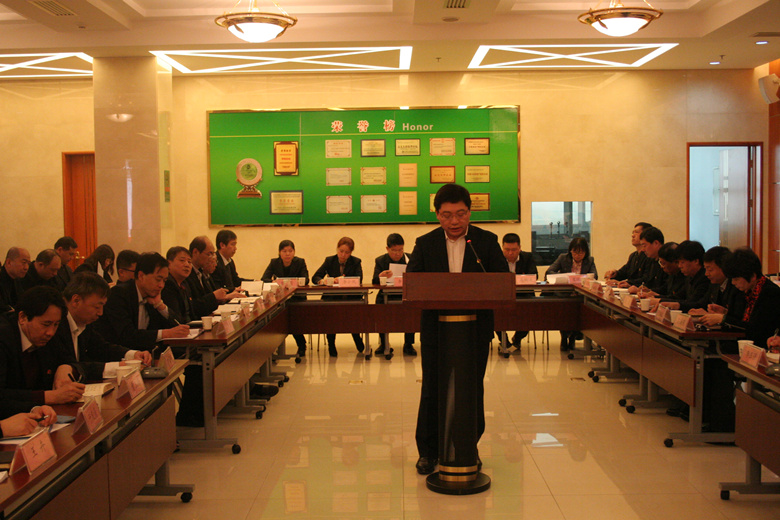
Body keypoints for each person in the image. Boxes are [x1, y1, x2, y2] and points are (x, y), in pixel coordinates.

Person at [406, 183, 508, 476]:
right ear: (437, 215)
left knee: (471, 387)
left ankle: (467, 447)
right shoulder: (425, 243)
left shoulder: (485, 241)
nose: (454, 221)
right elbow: (413, 282)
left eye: (461, 214)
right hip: (436, 330)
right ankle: (428, 451)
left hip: (475, 330)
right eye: (447, 215)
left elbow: (501, 279)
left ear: (469, 213)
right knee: (432, 387)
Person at [51, 272, 152, 381]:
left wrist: (133, 355)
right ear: (76, 301)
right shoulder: (55, 325)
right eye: (97, 307)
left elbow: (101, 347)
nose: (100, 313)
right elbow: (73, 366)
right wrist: (119, 367)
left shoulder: (83, 322)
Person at [0, 286, 86, 409]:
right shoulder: (4, 338)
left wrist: (65, 367)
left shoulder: (47, 333)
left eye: (56, 324)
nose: (51, 332)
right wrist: (49, 396)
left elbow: (71, 360)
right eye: (46, 324)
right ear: (23, 317)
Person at [94, 252, 190, 350]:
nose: (161, 285)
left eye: (164, 281)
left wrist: (160, 306)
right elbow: (127, 335)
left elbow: (179, 327)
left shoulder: (152, 295)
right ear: (141, 276)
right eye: (158, 279)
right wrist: (165, 333)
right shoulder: (119, 294)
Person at [312, 237, 365, 357]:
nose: (343, 255)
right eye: (341, 251)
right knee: (331, 317)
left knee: (352, 317)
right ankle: (331, 344)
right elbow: (315, 277)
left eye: (347, 252)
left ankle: (358, 342)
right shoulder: (329, 260)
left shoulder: (356, 262)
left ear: (351, 252)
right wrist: (324, 281)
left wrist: (343, 280)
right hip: (332, 297)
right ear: (337, 249)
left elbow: (359, 279)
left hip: (350, 298)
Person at [721, 247, 780, 349]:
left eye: (736, 279)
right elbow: (739, 320)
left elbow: (757, 328)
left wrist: (723, 319)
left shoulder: (770, 293)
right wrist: (724, 312)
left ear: (752, 276)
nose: (733, 283)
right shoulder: (745, 292)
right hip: (746, 344)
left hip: (763, 347)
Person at [546, 237, 597, 351]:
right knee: (564, 312)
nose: (578, 255)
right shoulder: (563, 258)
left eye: (581, 252)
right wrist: (565, 277)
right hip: (564, 294)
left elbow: (594, 276)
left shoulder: (589, 260)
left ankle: (574, 336)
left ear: (586, 252)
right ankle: (564, 337)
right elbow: (549, 271)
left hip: (581, 296)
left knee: (582, 311)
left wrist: (583, 278)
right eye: (575, 252)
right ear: (570, 251)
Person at [261, 240, 309, 357]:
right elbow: (264, 279)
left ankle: (301, 345)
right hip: (280, 299)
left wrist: (291, 282)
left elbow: (306, 279)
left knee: (293, 318)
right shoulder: (274, 262)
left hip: (297, 298)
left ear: (294, 252)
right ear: (279, 252)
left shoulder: (300, 262)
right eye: (284, 251)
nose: (287, 254)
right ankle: (275, 347)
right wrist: (274, 282)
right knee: (276, 319)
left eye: (290, 251)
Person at [372, 233, 416, 356]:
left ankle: (408, 344)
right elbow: (374, 280)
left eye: (400, 250)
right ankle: (384, 343)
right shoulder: (380, 260)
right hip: (386, 295)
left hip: (405, 294)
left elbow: (417, 277)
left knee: (412, 309)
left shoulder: (410, 259)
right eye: (394, 250)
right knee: (380, 307)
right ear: (387, 249)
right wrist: (380, 276)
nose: (398, 253)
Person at [495, 232, 537, 348]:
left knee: (531, 313)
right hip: (502, 295)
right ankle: (503, 340)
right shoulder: (497, 258)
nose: (510, 253)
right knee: (495, 312)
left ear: (519, 248)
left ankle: (517, 338)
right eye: (507, 250)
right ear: (502, 248)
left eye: (514, 250)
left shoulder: (527, 257)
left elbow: (533, 276)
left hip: (524, 294)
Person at [187, 236, 240, 319]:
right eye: (209, 254)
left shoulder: (200, 272)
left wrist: (221, 297)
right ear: (195, 252)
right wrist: (214, 296)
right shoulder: (187, 274)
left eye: (212, 254)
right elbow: (193, 305)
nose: (211, 258)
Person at [659, 240, 710, 312]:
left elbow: (696, 303)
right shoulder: (689, 277)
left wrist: (677, 305)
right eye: (678, 262)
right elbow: (679, 296)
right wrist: (658, 299)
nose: (679, 266)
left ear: (696, 261)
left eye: (682, 262)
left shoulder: (705, 278)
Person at [625, 227, 667, 294]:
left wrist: (648, 291)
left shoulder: (667, 261)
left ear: (656, 243)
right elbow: (648, 281)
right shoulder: (652, 260)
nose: (643, 249)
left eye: (644, 246)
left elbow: (666, 289)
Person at [161, 246, 196, 322]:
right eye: (182, 260)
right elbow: (176, 317)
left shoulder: (184, 283)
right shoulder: (167, 284)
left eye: (189, 262)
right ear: (169, 264)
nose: (187, 265)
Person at [0, 247, 30, 313]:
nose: (26, 268)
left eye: (28, 264)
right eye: (24, 262)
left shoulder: (19, 280)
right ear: (8, 262)